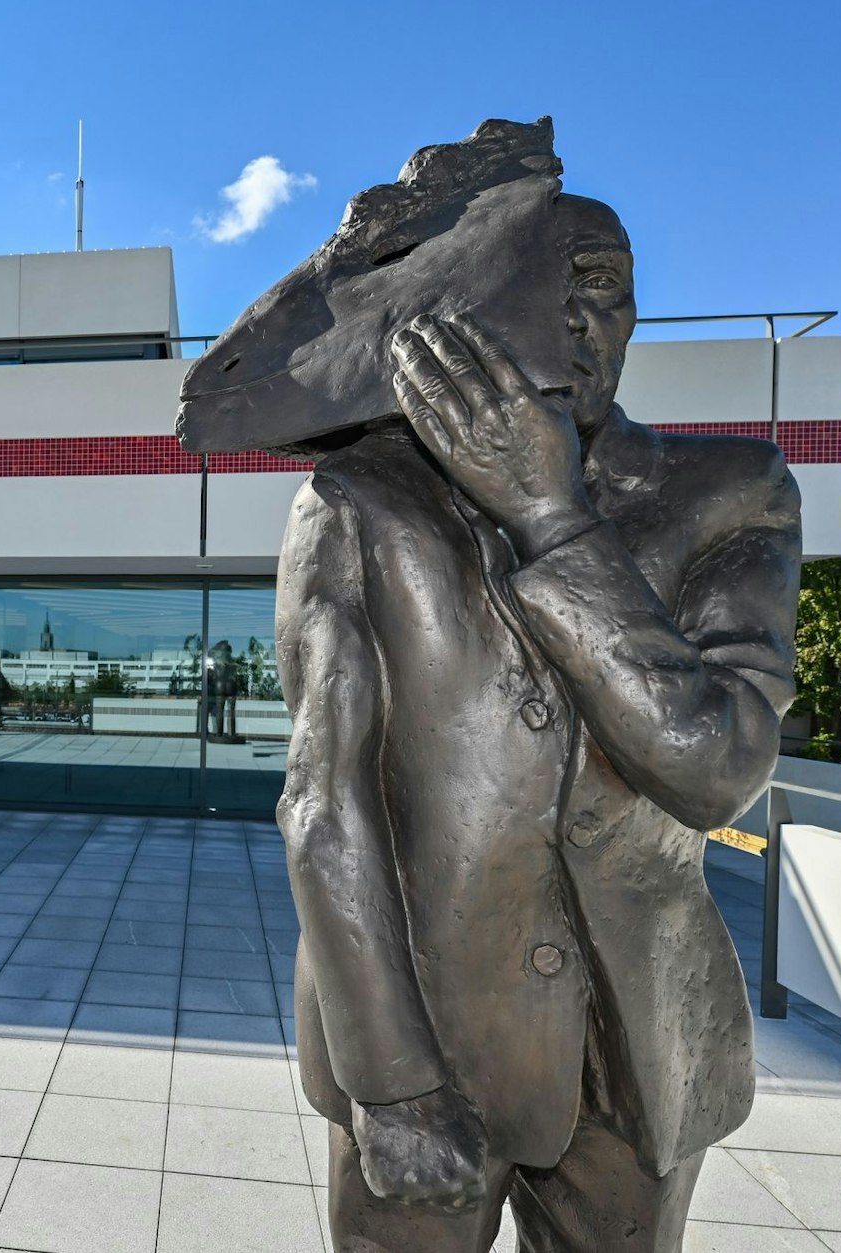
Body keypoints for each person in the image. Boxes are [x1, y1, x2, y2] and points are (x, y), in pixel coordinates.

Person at [262, 189, 800, 1253]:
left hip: (636, 1047)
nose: (571, 318)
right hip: (418, 1036)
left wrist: (548, 516)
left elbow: (714, 768)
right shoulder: (360, 498)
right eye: (533, 282)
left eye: (602, 282)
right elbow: (326, 805)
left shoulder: (731, 489)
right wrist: (393, 1086)